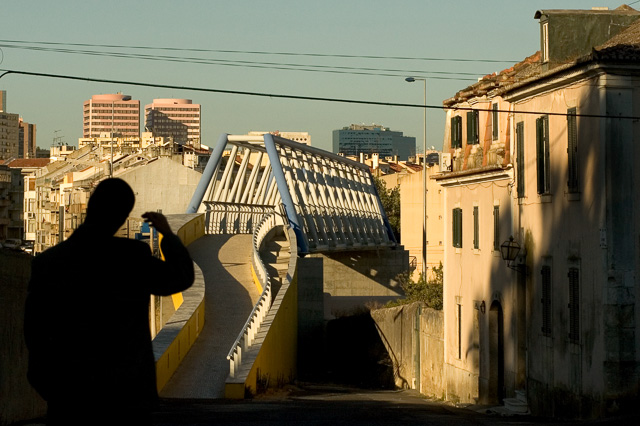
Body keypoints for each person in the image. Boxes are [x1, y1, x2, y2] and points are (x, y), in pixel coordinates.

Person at [24, 178, 194, 425]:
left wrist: (52, 387)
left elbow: (35, 332)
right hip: (126, 397)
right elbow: (180, 277)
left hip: (69, 397)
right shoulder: (131, 258)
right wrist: (168, 235)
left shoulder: (48, 263)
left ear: (90, 206)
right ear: (122, 217)